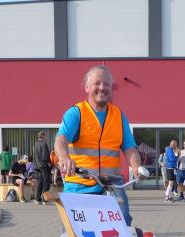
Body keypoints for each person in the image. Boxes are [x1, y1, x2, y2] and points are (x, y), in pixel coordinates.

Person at [54, 65, 142, 226]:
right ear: (87, 87)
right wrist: (64, 157)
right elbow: (61, 139)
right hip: (80, 183)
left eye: (106, 84)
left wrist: (137, 167)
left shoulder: (118, 115)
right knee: (76, 230)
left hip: (111, 183)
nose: (102, 87)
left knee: (123, 224)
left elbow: (130, 148)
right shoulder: (76, 113)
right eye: (97, 83)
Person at [32, 130, 52, 204]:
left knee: (40, 182)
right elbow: (45, 156)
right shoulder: (44, 144)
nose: (46, 137)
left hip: (37, 166)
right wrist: (48, 163)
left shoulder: (35, 144)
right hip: (44, 166)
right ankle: (45, 199)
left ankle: (38, 199)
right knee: (46, 182)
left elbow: (35, 156)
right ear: (43, 136)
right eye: (45, 135)